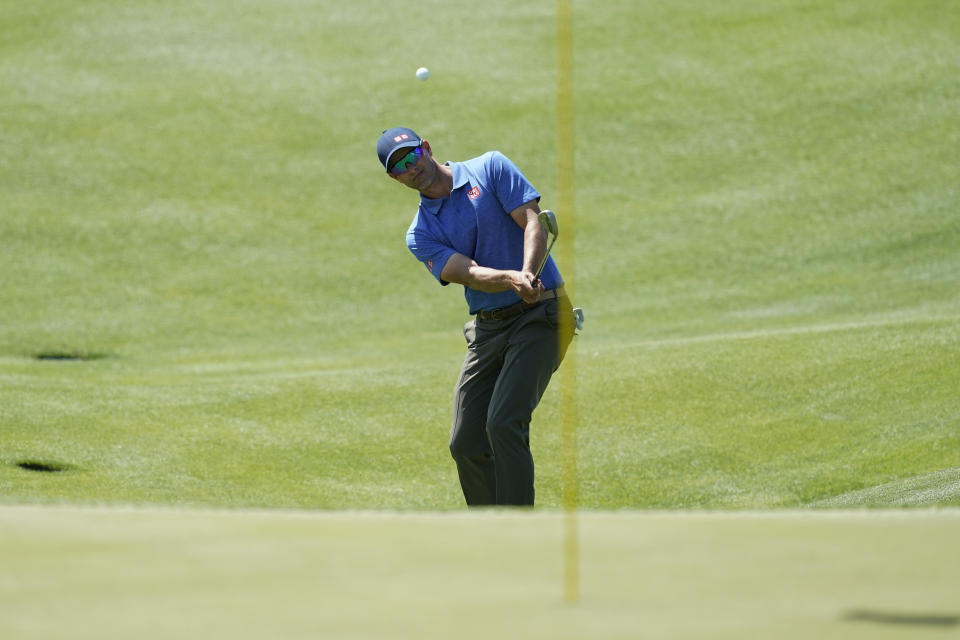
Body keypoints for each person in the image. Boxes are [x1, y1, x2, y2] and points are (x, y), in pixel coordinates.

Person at [376, 127, 575, 507]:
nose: (410, 167)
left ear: (427, 148)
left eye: (412, 155)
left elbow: (531, 220)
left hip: (543, 314)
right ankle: (490, 529)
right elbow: (466, 273)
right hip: (488, 330)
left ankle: (518, 532)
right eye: (399, 166)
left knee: (503, 423)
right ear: (394, 178)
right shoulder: (420, 233)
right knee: (465, 441)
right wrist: (509, 279)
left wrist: (528, 272)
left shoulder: (490, 167)